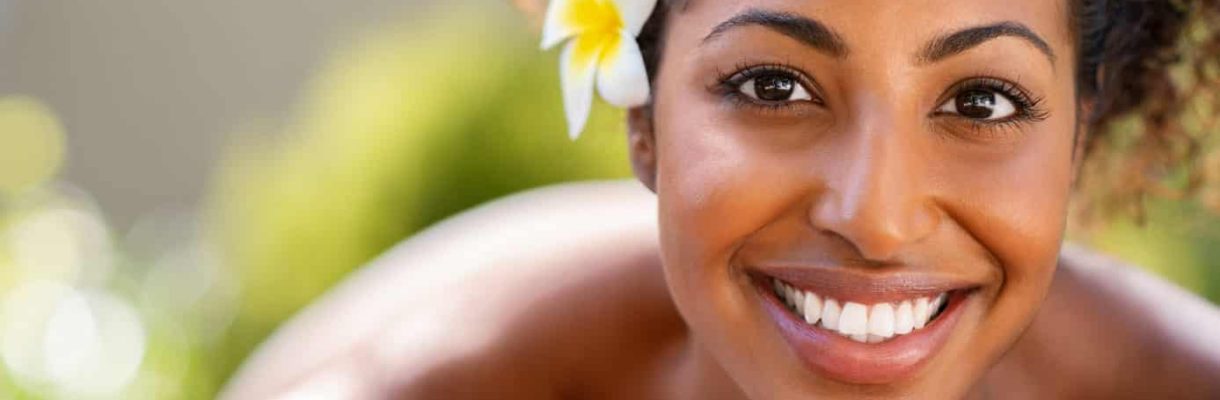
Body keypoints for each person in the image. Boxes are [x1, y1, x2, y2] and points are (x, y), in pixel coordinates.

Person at [221, 0, 1220, 398]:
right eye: (773, 87)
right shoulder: (436, 380)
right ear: (643, 121)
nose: (874, 215)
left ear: (1076, 132)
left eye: (981, 99)